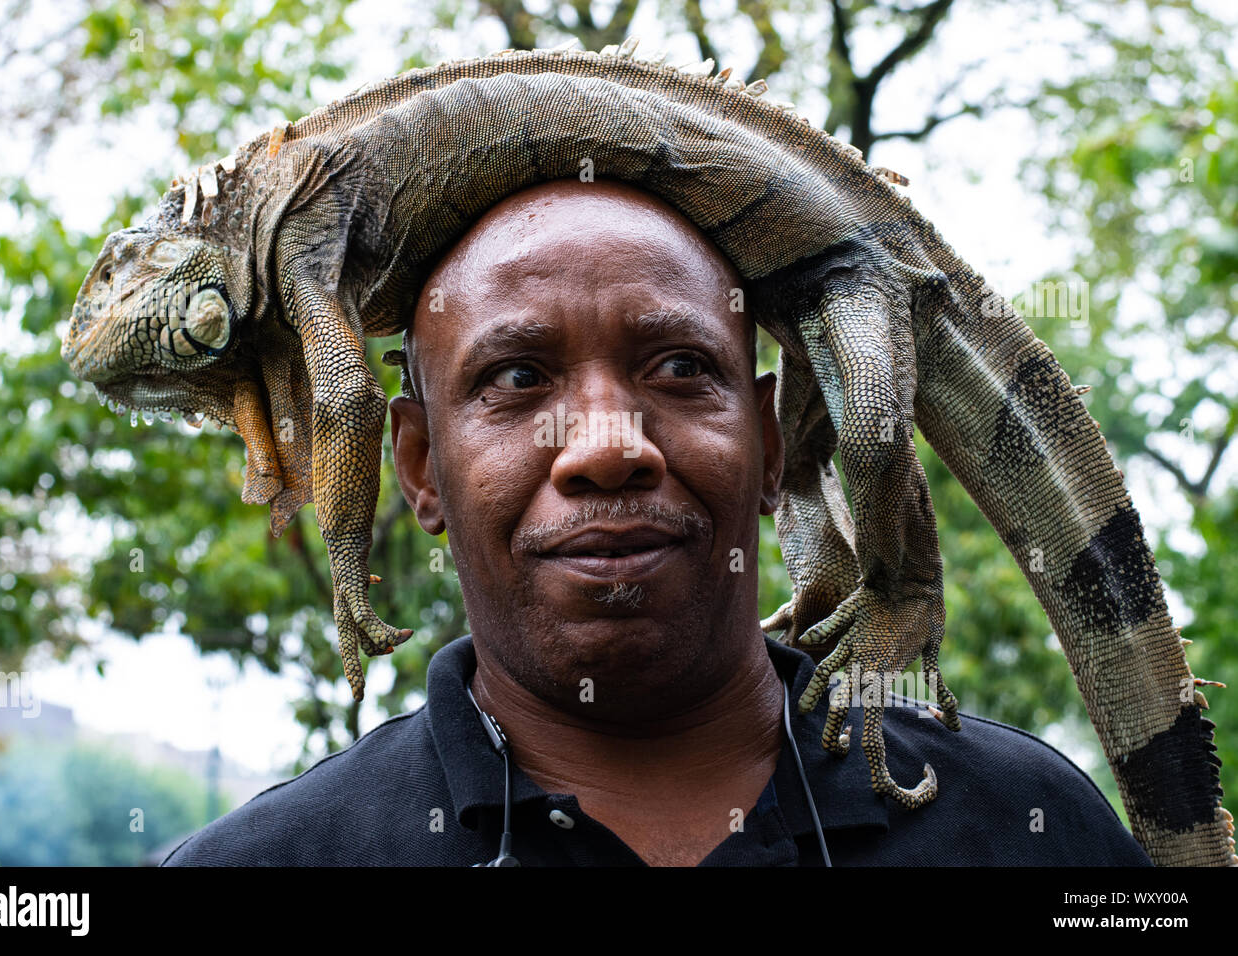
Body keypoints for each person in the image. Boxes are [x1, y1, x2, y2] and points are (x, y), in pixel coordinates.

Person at [163, 178, 1150, 867]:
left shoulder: (1029, 822)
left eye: (680, 367)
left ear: (771, 443)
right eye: (517, 378)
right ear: (418, 466)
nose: (607, 446)